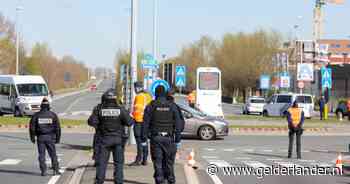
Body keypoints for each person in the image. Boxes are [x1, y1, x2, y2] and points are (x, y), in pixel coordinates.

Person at [88, 90, 133, 184]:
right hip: (118, 140)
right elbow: (129, 122)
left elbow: (91, 122)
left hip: (104, 140)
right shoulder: (120, 109)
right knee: (118, 164)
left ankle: (99, 181)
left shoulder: (99, 109)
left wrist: (100, 124)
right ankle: (119, 181)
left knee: (102, 163)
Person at [143, 85, 183, 184]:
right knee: (169, 163)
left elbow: (145, 123)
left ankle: (160, 181)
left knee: (158, 162)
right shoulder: (173, 106)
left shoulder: (151, 106)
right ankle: (170, 180)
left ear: (155, 94)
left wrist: (144, 138)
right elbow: (179, 123)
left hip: (155, 138)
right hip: (169, 139)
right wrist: (177, 139)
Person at [29, 98, 61, 176]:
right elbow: (58, 128)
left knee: (41, 155)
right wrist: (58, 138)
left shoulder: (36, 115)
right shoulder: (53, 115)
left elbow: (32, 128)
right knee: (53, 154)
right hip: (50, 137)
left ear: (41, 106)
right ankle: (56, 170)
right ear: (48, 106)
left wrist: (32, 138)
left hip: (40, 138)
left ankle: (43, 171)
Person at [129, 82, 152, 166]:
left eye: (135, 88)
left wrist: (132, 119)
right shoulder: (148, 96)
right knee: (144, 141)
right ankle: (145, 159)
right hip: (147, 122)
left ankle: (138, 159)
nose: (135, 90)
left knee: (139, 141)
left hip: (139, 122)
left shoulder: (139, 96)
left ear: (138, 88)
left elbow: (137, 110)